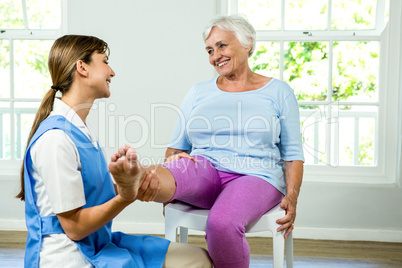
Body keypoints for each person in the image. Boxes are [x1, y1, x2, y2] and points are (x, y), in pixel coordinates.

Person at [109, 15, 304, 268]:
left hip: (256, 177)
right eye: (210, 50)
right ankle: (136, 179)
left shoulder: (279, 92)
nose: (215, 56)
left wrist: (293, 196)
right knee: (178, 166)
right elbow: (176, 146)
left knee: (221, 223)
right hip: (206, 170)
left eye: (222, 46)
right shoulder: (199, 92)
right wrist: (172, 162)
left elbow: (292, 155)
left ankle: (137, 183)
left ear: (248, 44)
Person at [16, 34, 212, 268]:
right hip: (70, 256)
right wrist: (125, 197)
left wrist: (152, 176)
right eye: (105, 61)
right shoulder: (56, 139)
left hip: (98, 242)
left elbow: (92, 193)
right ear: (82, 67)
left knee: (199, 258)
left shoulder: (78, 130)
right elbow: (75, 228)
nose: (112, 71)